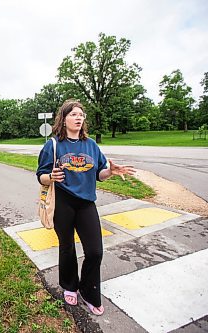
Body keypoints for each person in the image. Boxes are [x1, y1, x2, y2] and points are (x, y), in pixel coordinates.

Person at [36, 99, 135, 315]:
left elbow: (100, 173)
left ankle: (89, 291)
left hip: (86, 203)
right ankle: (69, 285)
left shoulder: (91, 144)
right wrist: (50, 176)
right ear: (63, 119)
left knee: (95, 251)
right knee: (67, 246)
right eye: (73, 114)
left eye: (81, 115)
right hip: (63, 202)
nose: (79, 118)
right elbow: (40, 177)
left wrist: (111, 171)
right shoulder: (52, 145)